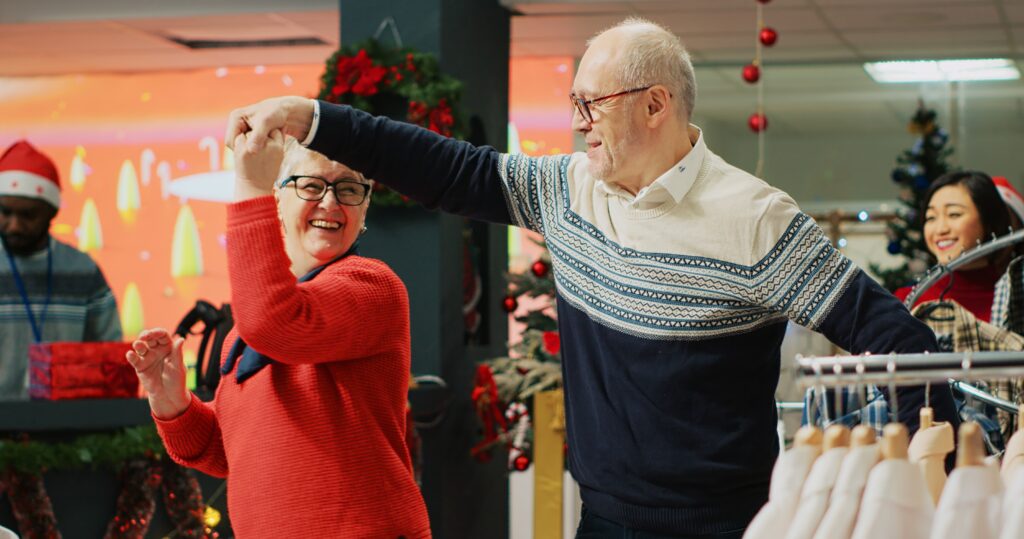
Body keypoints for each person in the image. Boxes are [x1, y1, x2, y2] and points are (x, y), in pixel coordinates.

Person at [226, 17, 957, 538]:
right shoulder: (565, 189)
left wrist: (943, 480)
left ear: (655, 103)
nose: (578, 123)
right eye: (574, 103)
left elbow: (890, 335)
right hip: (602, 519)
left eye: (591, 104)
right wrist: (317, 119)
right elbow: (447, 168)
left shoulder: (757, 217)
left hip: (727, 523)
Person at [126, 134, 431, 537]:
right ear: (278, 198)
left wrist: (248, 187)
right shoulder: (247, 329)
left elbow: (276, 322)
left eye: (349, 188)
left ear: (365, 207)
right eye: (311, 185)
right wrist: (173, 404)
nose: (330, 202)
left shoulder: (372, 285)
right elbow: (229, 451)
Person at [0, 140, 121, 400]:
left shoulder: (82, 269)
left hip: (70, 429)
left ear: (51, 212)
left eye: (28, 215)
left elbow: (110, 352)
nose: (14, 226)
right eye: (4, 212)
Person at [895, 171, 1023, 321]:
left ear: (988, 221)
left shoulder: (1015, 299)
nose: (940, 229)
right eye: (931, 217)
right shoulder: (904, 302)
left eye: (954, 214)